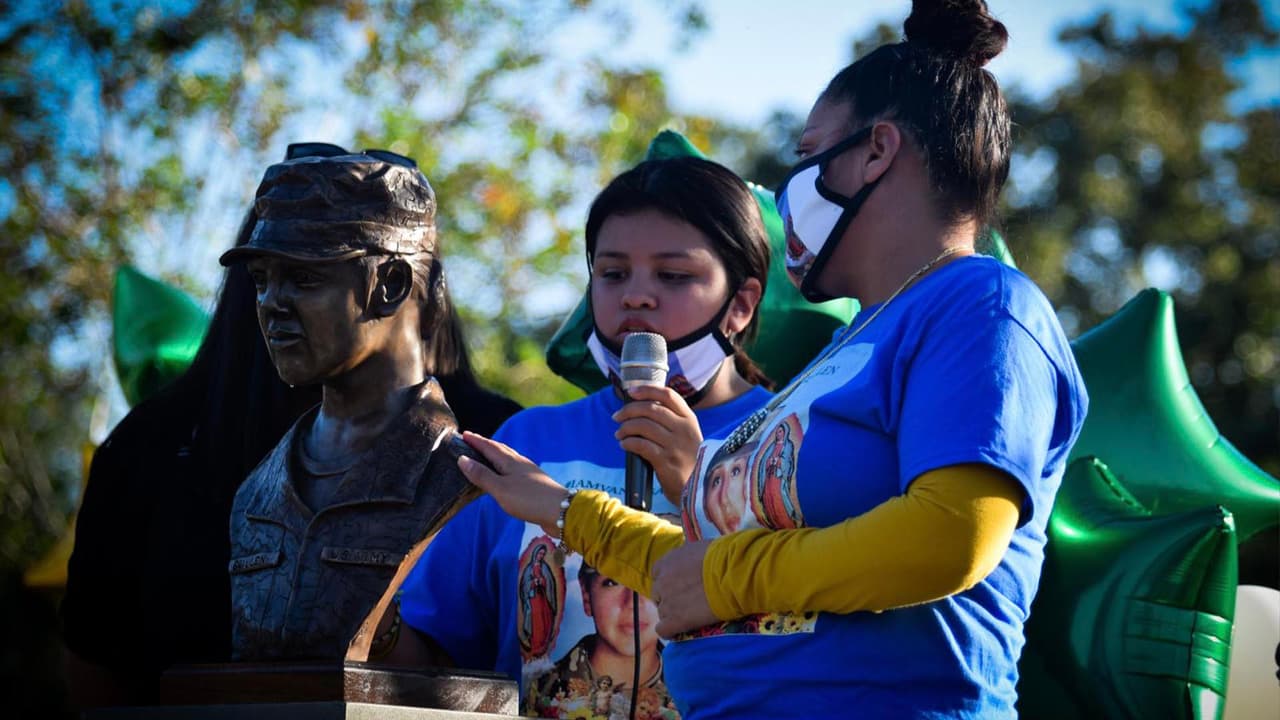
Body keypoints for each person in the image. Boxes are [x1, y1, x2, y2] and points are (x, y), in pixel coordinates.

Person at [453, 1, 1089, 717]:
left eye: (807, 155)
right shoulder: (847, 350)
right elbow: (704, 571)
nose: (790, 189)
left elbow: (951, 538)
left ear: (877, 152)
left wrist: (725, 577)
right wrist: (568, 513)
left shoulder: (982, 304)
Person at [62, 144, 519, 702]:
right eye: (261, 279)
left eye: (303, 277)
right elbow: (95, 664)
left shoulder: (484, 462)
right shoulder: (248, 484)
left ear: (392, 285)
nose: (272, 304)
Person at [393, 155, 775, 719]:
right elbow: (432, 649)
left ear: (741, 303)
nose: (636, 297)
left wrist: (696, 485)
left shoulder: (788, 439)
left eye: (673, 276)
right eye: (613, 273)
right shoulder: (527, 440)